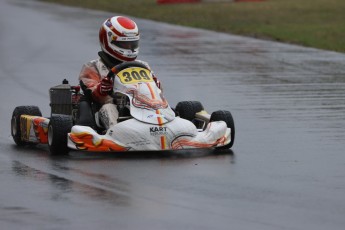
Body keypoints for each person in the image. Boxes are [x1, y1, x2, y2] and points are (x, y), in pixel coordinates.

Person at [78, 16, 160, 130]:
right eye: (125, 45)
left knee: (161, 106)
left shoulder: (143, 66)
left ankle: (165, 125)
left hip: (143, 106)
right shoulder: (93, 67)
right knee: (109, 108)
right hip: (110, 109)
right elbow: (90, 91)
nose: (130, 48)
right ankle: (117, 133)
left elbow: (156, 93)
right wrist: (100, 89)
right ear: (107, 41)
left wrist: (156, 85)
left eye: (133, 44)